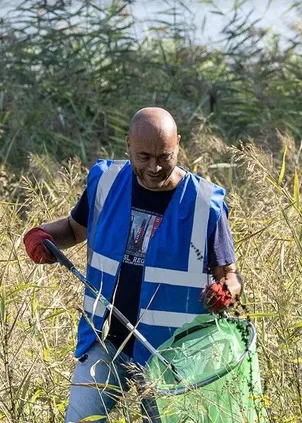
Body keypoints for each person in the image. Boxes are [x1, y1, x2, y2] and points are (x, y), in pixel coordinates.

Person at [22, 107, 243, 422]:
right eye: (144, 157)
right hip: (105, 341)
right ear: (127, 144)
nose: (154, 167)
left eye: (165, 156)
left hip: (169, 357)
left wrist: (225, 291)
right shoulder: (106, 182)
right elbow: (74, 229)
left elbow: (230, 275)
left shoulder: (205, 203)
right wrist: (43, 236)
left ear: (178, 144)